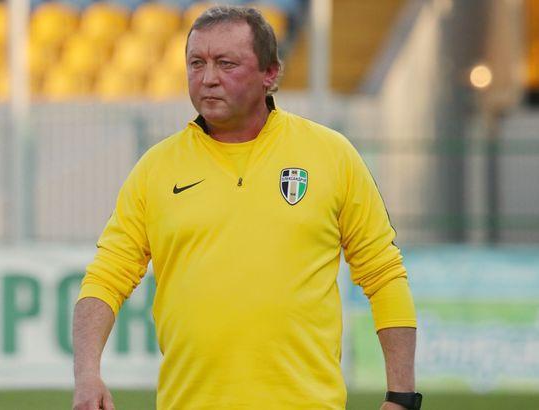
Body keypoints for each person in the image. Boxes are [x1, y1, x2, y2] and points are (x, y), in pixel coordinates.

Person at [73, 5, 419, 410]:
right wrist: (87, 375)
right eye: (196, 63)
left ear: (270, 74)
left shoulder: (331, 155)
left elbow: (383, 274)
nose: (208, 78)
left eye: (226, 63)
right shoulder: (156, 168)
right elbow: (107, 277)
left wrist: (401, 396)